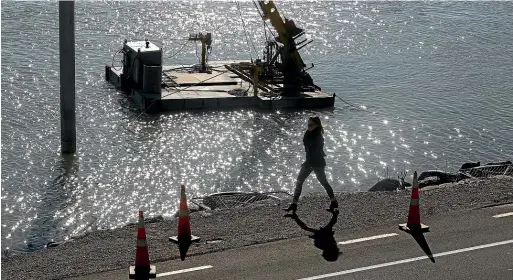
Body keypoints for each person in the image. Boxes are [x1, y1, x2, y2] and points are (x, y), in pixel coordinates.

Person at [284, 116, 338, 213]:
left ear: (317, 125)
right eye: (308, 124)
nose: (309, 126)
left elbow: (316, 151)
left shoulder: (318, 137)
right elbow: (308, 149)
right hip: (309, 162)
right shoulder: (308, 133)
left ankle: (334, 201)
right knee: (299, 181)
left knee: (324, 182)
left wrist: (308, 162)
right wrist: (307, 162)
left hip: (317, 163)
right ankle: (294, 204)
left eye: (311, 125)